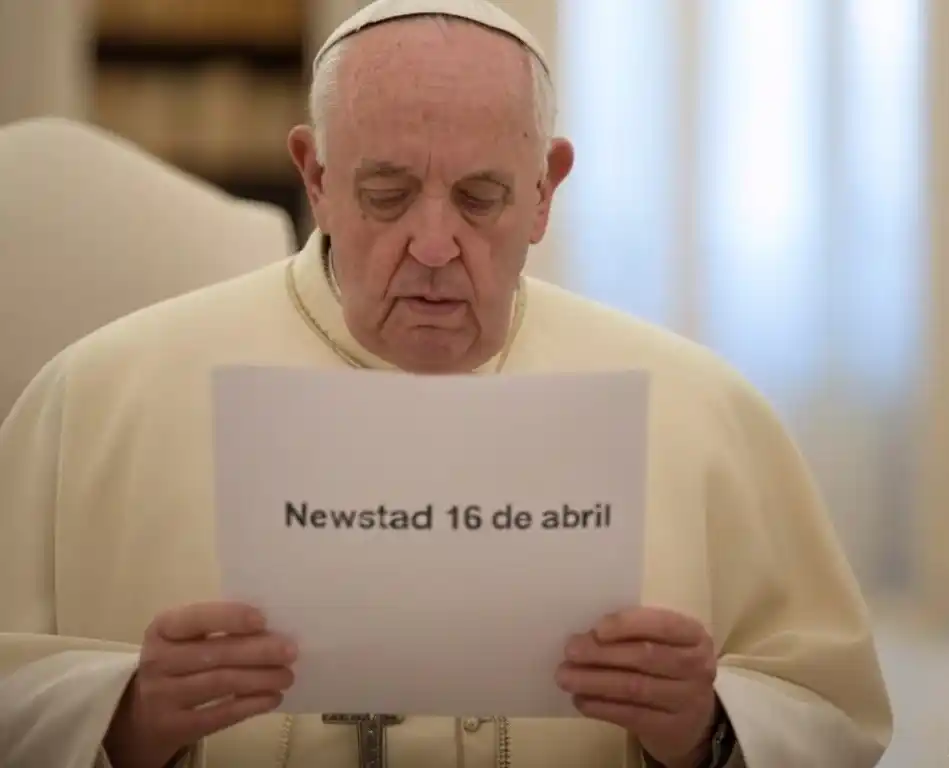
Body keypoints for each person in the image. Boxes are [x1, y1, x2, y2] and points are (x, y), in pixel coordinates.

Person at [0, 0, 894, 766]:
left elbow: (832, 715)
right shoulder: (99, 397)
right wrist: (121, 715)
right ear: (314, 176)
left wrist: (707, 729)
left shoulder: (704, 414)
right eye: (387, 194)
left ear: (545, 189)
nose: (433, 247)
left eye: (480, 198)